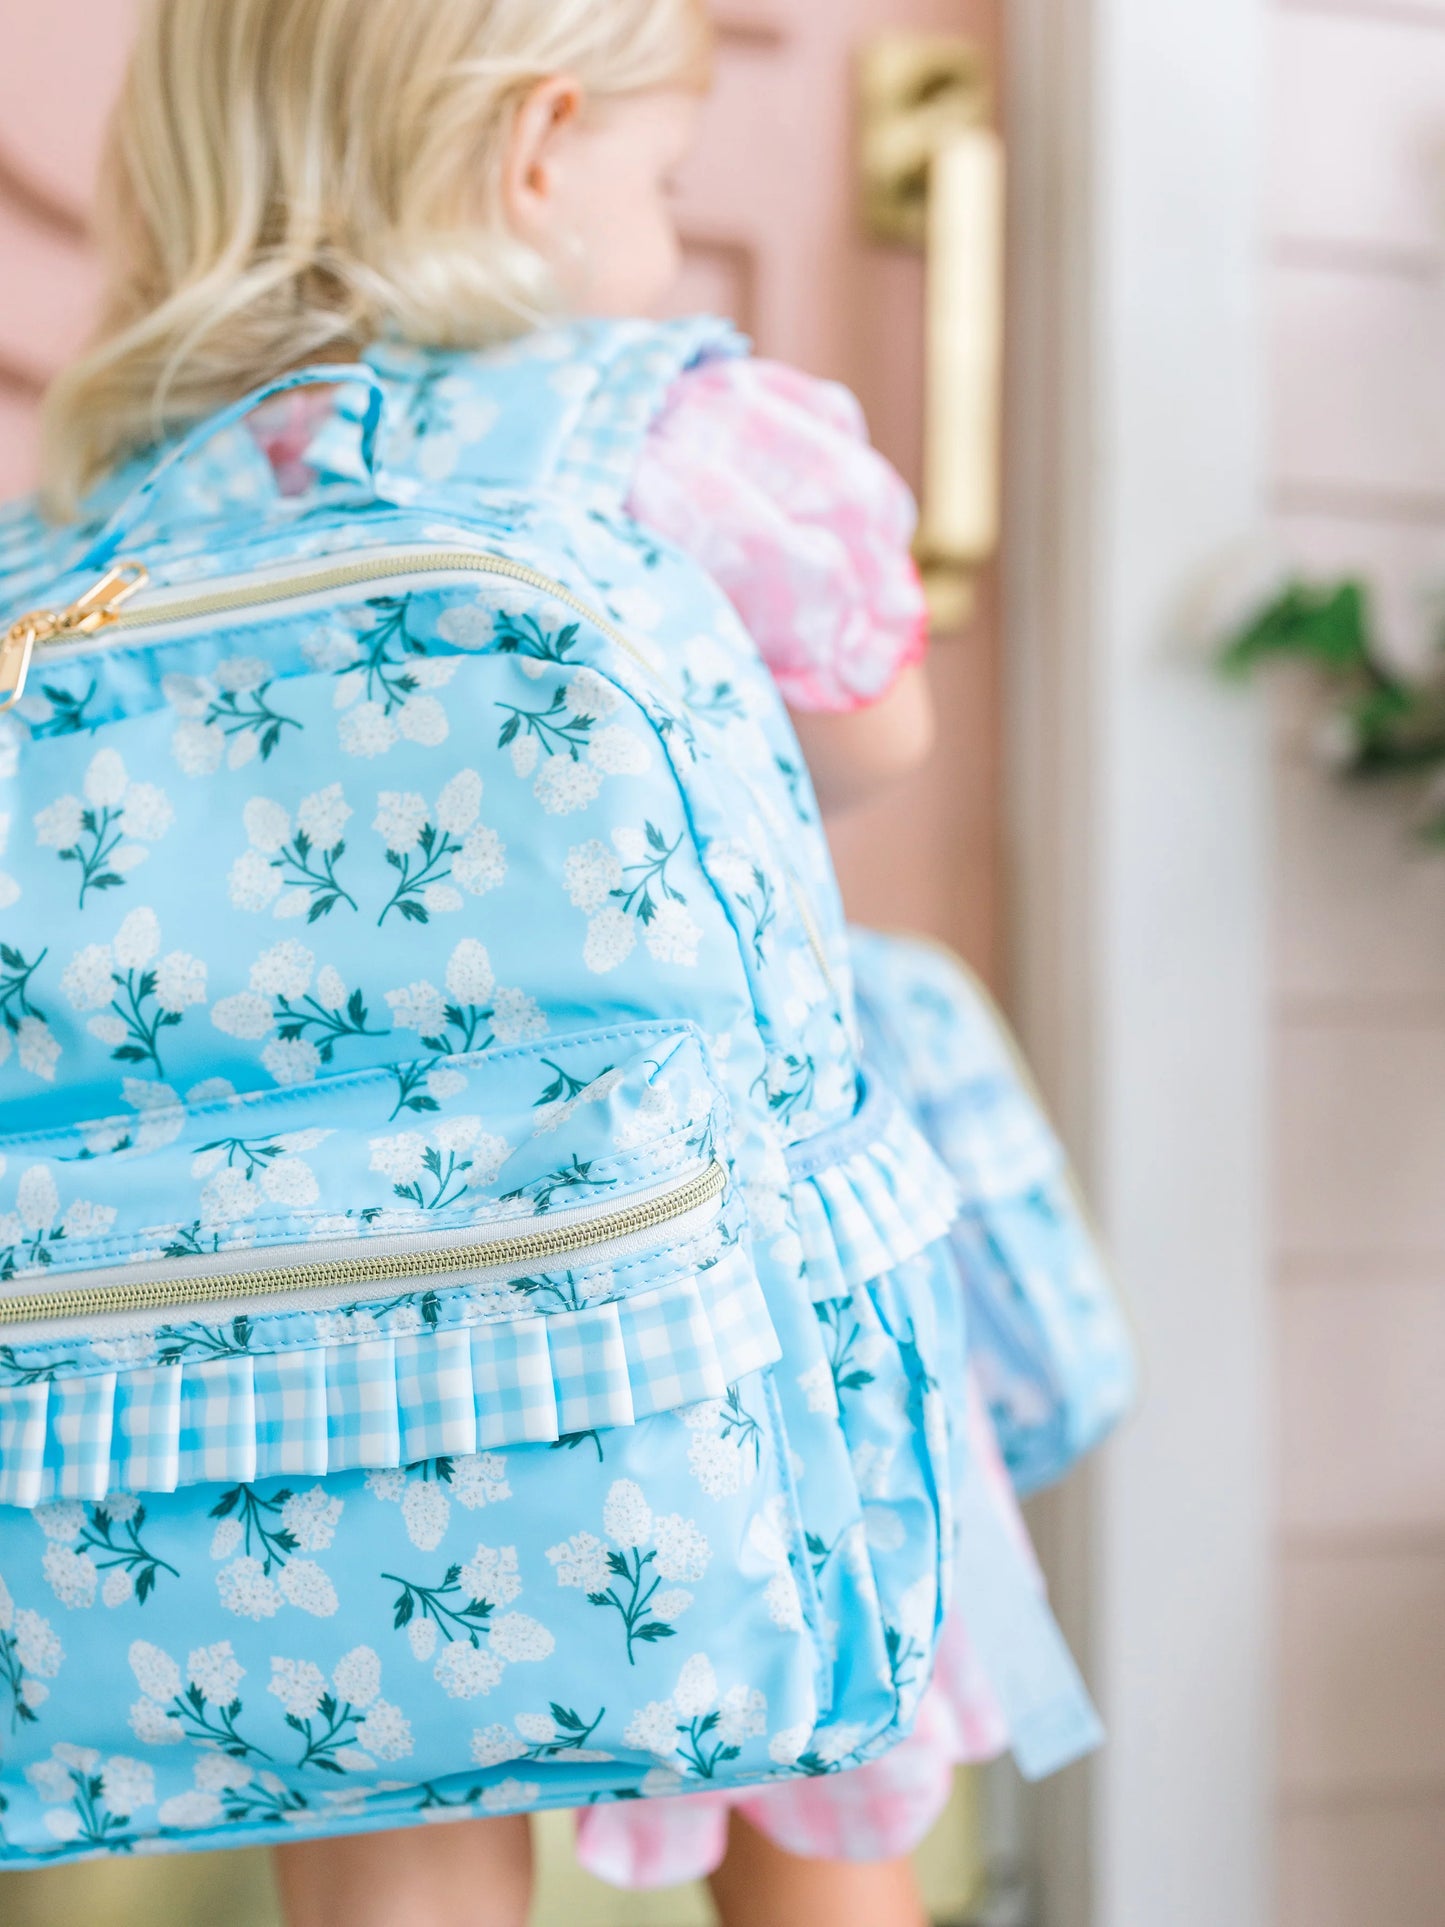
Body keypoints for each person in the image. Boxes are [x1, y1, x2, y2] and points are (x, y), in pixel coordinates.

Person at [5, 4, 1127, 1923]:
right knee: (809, 1775)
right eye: (664, 178)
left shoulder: (119, 501)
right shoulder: (664, 431)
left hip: (306, 1359)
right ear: (537, 147)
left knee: (385, 1808)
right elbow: (870, 737)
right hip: (690, 1293)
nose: (668, 225)